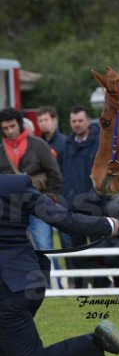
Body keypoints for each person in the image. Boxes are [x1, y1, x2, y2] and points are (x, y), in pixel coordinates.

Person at [0, 174, 119, 356]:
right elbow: (65, 220)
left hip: (5, 295)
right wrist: (107, 225)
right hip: (26, 283)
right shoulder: (14, 185)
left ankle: (98, 340)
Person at [0, 107, 63, 251]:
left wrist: (47, 198)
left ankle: (53, 275)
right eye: (5, 128)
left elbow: (55, 174)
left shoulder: (38, 145)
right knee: (14, 250)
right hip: (11, 210)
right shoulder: (1, 151)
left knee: (44, 247)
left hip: (38, 205)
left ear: (20, 124)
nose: (10, 131)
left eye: (13, 126)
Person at [59, 105, 106, 287]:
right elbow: (61, 172)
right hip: (71, 207)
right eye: (73, 121)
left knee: (97, 248)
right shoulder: (67, 145)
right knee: (75, 250)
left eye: (80, 120)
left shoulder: (100, 143)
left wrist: (93, 197)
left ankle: (101, 286)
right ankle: (78, 288)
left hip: (95, 206)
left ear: (88, 121)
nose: (77, 124)